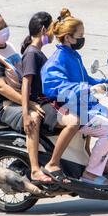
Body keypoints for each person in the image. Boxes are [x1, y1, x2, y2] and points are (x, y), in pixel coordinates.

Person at [41, 8, 108, 186]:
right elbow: (58, 87)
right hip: (72, 108)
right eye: (80, 35)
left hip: (86, 105)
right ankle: (91, 175)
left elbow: (87, 79)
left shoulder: (73, 55)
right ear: (68, 37)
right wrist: (88, 88)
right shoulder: (57, 61)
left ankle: (103, 167)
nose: (82, 39)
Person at [0, 12, 48, 183]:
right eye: (0, 28)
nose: (5, 29)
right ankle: (36, 169)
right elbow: (0, 87)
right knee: (34, 118)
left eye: (5, 24)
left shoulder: (9, 46)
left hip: (19, 99)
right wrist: (28, 104)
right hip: (2, 105)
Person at [20, 12, 80, 182]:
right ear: (44, 29)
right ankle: (48, 165)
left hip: (49, 101)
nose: (54, 33)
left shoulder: (37, 52)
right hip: (42, 103)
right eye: (52, 29)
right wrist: (26, 112)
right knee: (74, 121)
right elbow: (26, 83)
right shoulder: (32, 53)